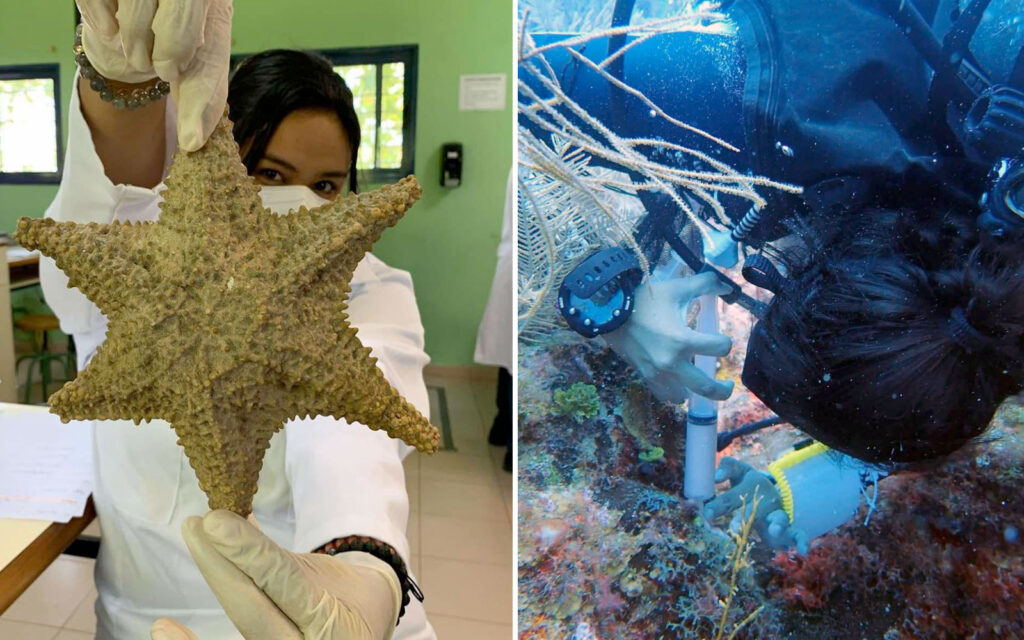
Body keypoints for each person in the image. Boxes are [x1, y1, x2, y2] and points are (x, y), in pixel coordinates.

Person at [520, 0, 1024, 549]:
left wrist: (815, 480)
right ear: (803, 271)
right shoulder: (750, 102)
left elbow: (947, 372)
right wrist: (607, 301)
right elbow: (509, 83)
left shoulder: (988, 326)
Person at [41, 2, 436, 638]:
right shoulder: (140, 266)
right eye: (268, 173)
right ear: (218, 163)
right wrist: (119, 83)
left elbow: (348, 442)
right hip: (140, 617)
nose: (297, 201)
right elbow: (77, 258)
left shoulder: (367, 287)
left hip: (303, 612)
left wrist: (365, 562)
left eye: (328, 186)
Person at [475, 172, 514, 473]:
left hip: (509, 263)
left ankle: (500, 428)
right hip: (517, 265)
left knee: (507, 359)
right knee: (510, 360)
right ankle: (511, 447)